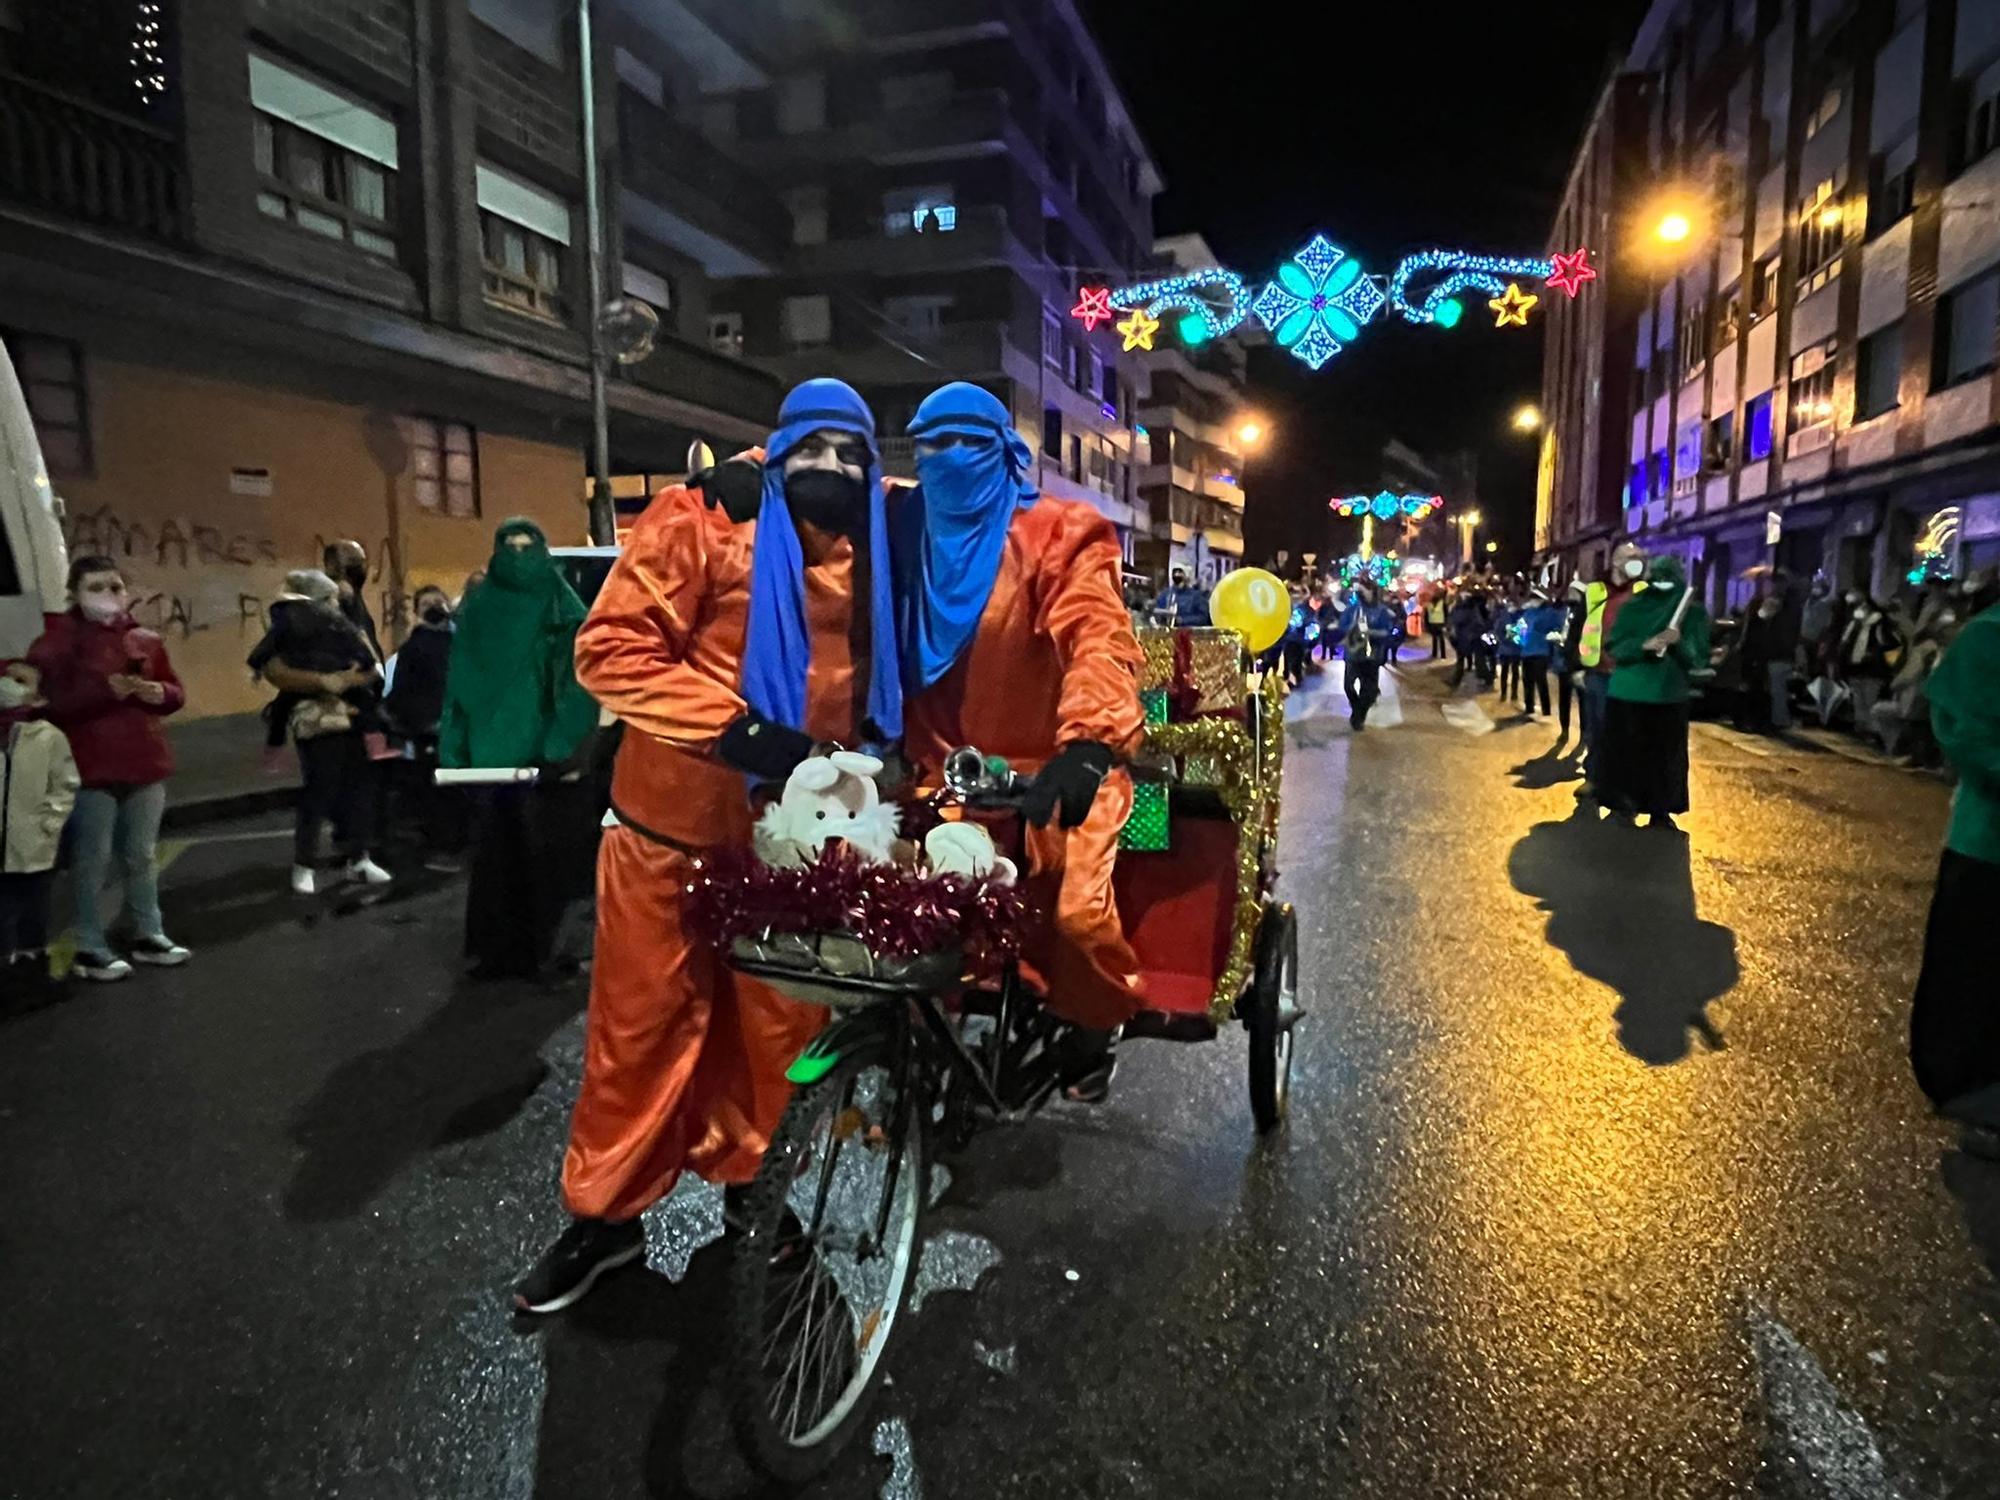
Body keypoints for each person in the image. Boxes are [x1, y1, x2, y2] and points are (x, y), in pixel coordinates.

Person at [515, 379, 902, 1315]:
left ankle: (756, 1205)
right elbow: (611, 650)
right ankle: (605, 1221)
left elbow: (983, 500)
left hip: (799, 842)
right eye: (810, 451)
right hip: (670, 829)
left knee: (778, 1039)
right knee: (638, 1031)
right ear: (776, 451)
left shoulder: (884, 533)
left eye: (853, 454)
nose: (834, 471)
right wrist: (738, 732)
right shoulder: (702, 519)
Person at [894, 381, 1146, 1099]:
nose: (946, 460)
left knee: (1075, 915)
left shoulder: (1059, 532)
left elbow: (1098, 636)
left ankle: (1095, 1025)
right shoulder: (899, 518)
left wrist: (1090, 745)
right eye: (930, 444)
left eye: (967, 444)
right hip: (936, 778)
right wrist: (752, 466)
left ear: (1004, 451)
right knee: (882, 916)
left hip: (1049, 773)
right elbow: (818, 452)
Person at [439, 520, 601, 979]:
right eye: (509, 546)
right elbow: (461, 683)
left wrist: (562, 744)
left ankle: (548, 952)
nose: (519, 556)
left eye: (528, 547)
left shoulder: (561, 608)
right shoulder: (482, 609)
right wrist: (455, 747)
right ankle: (497, 953)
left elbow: (576, 685)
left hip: (548, 764)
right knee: (494, 857)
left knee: (549, 857)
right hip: (490, 762)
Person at [27, 555, 189, 980]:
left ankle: (148, 933)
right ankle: (88, 945)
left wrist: (161, 693)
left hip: (145, 759)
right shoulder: (60, 641)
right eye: (96, 587)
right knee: (91, 858)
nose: (109, 596)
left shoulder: (142, 638)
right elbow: (49, 704)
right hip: (90, 764)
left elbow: (175, 691)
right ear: (76, 594)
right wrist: (105, 692)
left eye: (115, 587)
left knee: (140, 855)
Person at [1909, 593, 2000, 1159]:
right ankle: (1974, 1090)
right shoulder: (1989, 636)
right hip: (1990, 845)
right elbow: (1965, 731)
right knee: (1977, 975)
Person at [249, 570, 392, 897]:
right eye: (328, 599)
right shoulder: (292, 626)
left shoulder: (345, 626)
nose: (335, 604)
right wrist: (325, 682)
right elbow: (274, 670)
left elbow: (370, 666)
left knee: (358, 788)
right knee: (321, 789)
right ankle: (305, 864)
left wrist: (354, 680)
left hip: (355, 714)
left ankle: (359, 858)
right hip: (317, 719)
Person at [1594, 556, 1711, 830]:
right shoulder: (1634, 608)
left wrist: (1679, 643)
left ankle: (1660, 809)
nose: (1661, 585)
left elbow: (1698, 657)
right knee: (1627, 754)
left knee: (1663, 758)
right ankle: (1623, 804)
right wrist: (1643, 645)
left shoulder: (1690, 612)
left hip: (1668, 696)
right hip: (1629, 694)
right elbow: (1616, 646)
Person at [0, 662, 78, 1005]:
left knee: (35, 912)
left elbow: (63, 786)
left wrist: (48, 826)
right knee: (2, 915)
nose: (9, 685)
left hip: (34, 846)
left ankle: (34, 977)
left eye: (20, 681)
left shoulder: (47, 737)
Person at [382, 583, 462, 871]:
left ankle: (449, 846)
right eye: (427, 604)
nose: (434, 608)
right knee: (440, 793)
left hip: (448, 727)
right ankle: (446, 846)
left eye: (436, 602)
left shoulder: (456, 642)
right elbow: (405, 690)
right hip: (432, 728)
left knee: (448, 793)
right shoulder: (416, 647)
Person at [1576, 543, 1647, 800]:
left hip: (1629, 674)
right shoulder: (1595, 590)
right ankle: (1593, 778)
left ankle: (1623, 784)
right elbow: (1578, 626)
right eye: (1632, 559)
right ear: (1616, 562)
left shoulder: (1643, 592)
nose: (1637, 563)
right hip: (1598, 672)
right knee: (1596, 730)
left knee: (1626, 732)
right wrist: (1576, 666)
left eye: (1640, 559)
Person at [1336, 578, 1402, 730]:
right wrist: (1351, 628)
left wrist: (1370, 632)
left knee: (1370, 692)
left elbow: (1386, 631)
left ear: (1372, 591)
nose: (1362, 593)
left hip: (1372, 656)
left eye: (1365, 589)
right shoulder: (1353, 609)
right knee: (1348, 686)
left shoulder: (1381, 611)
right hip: (1353, 654)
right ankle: (1357, 710)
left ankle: (1359, 716)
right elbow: (1342, 626)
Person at [1839, 592, 1903, 744]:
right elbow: (1847, 643)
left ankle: (1872, 732)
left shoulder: (1880, 624)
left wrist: (1877, 656)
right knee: (1858, 699)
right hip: (1856, 666)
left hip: (1873, 670)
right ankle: (1861, 728)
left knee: (1869, 700)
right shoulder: (1855, 624)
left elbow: (1890, 645)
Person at [323, 538, 383, 661]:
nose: (363, 568)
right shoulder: (330, 602)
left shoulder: (356, 601)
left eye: (362, 562)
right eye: (354, 561)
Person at [1517, 587, 1563, 718]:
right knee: (1527, 681)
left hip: (1540, 651)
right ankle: (1529, 707)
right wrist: (1520, 638)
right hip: (1527, 652)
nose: (1532, 601)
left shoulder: (1549, 613)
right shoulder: (1528, 613)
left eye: (1535, 599)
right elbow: (1520, 629)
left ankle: (1546, 709)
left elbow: (1557, 627)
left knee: (1541, 681)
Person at [1555, 579, 1588, 738]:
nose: (1570, 595)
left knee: (1583, 700)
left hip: (1580, 662)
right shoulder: (1566, 611)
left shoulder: (1586, 613)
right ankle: (1564, 729)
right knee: (1564, 698)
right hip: (1565, 661)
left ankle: (1584, 732)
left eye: (1574, 592)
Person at [1447, 588, 1487, 688]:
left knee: (1471, 660)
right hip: (1465, 638)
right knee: (1470, 660)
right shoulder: (1469, 609)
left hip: (1466, 638)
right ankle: (1457, 680)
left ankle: (1457, 680)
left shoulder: (1465, 609)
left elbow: (1455, 620)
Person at [1494, 582, 1525, 702]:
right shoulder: (1506, 616)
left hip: (1513, 649)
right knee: (1507, 672)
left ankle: (1512, 693)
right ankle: (1506, 693)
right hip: (1508, 649)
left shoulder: (1517, 616)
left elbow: (1523, 631)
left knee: (1514, 672)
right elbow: (1498, 630)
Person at [1425, 588, 1449, 660]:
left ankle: (1443, 655)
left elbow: (1446, 614)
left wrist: (1445, 623)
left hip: (1440, 623)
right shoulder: (1429, 604)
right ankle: (1434, 653)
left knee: (1441, 639)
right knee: (1434, 639)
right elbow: (1427, 615)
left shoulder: (1442, 603)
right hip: (1432, 623)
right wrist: (1427, 624)